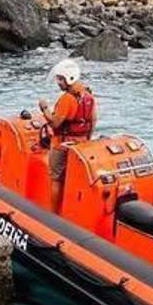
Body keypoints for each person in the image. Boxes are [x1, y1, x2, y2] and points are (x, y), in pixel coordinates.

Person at [37, 58, 96, 213]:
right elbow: (93, 119)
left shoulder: (67, 99)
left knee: (56, 178)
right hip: (81, 143)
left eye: (60, 79)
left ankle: (53, 213)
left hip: (62, 144)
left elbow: (55, 123)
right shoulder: (88, 95)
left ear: (68, 79)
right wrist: (87, 138)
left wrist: (44, 109)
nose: (58, 83)